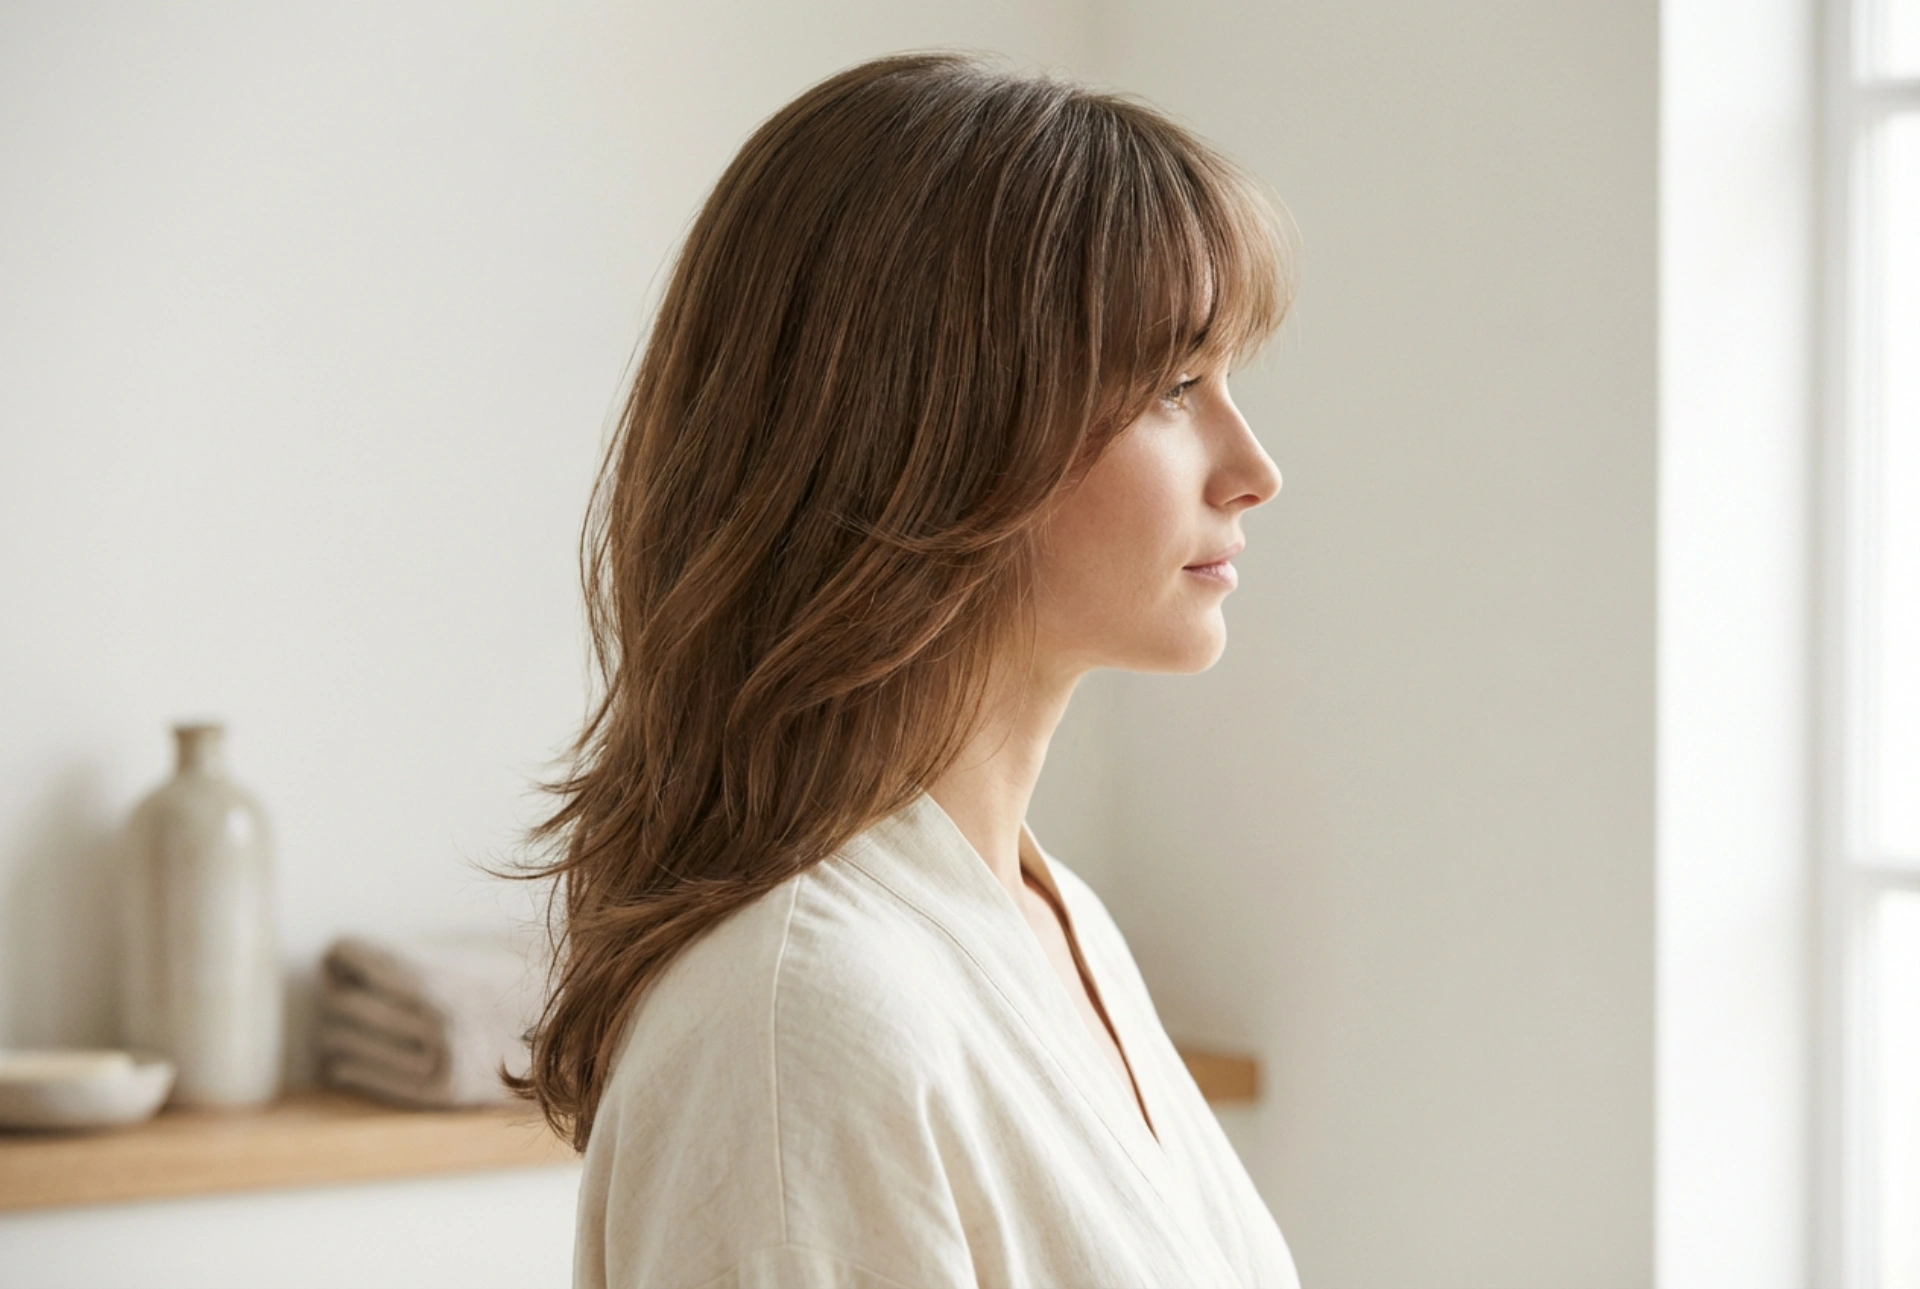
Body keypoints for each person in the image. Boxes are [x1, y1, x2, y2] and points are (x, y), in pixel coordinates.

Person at [510, 49, 1300, 1288]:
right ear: (943, 429)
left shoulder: (1052, 922)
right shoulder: (802, 1022)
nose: (1253, 465)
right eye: (1173, 385)